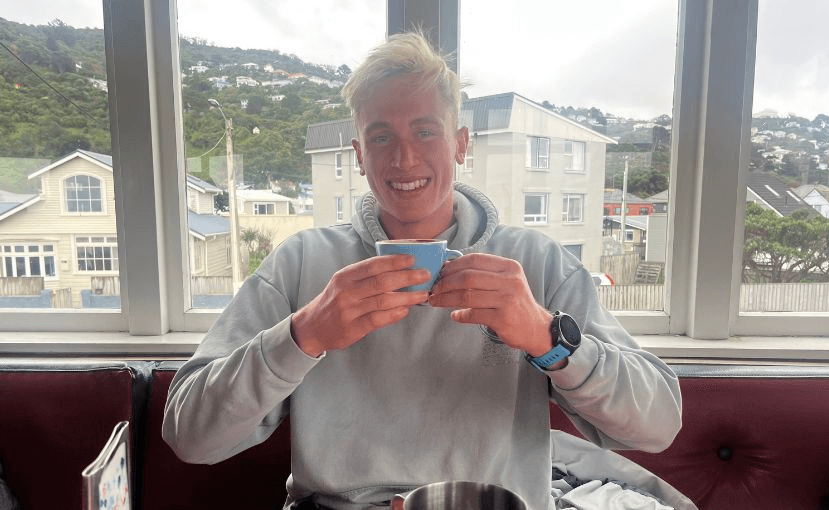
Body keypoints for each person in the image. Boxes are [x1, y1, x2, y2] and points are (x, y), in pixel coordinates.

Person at [163, 31, 682, 510]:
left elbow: (658, 425)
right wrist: (303, 335)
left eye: (426, 132)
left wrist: (547, 336)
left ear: (460, 143)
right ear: (359, 155)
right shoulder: (300, 263)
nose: (405, 157)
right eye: (382, 137)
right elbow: (188, 434)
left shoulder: (536, 264)